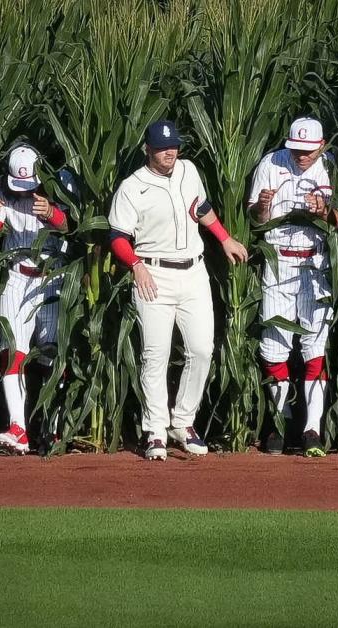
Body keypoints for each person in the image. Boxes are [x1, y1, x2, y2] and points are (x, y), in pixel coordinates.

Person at [108, 119, 248, 460]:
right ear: (148, 150)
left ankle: (183, 423)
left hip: (193, 270)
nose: (169, 152)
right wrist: (136, 266)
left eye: (173, 146)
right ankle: (155, 430)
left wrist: (225, 237)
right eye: (161, 147)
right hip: (153, 274)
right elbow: (117, 237)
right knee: (155, 356)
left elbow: (199, 208)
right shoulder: (132, 186)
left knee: (201, 349)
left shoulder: (187, 170)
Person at [247, 117, 338, 457]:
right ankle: (278, 421)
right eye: (296, 150)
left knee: (315, 347)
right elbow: (255, 219)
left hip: (316, 264)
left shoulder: (331, 168)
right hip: (279, 261)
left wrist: (326, 211)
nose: (301, 156)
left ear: (322, 145)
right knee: (274, 347)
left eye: (308, 151)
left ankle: (312, 429)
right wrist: (263, 206)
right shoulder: (270, 163)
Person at [0, 144, 71, 454]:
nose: (22, 191)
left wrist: (52, 213)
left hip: (52, 280)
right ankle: (18, 429)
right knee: (11, 352)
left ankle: (53, 428)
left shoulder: (58, 184)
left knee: (52, 357)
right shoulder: (0, 188)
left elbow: (76, 228)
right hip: (17, 276)